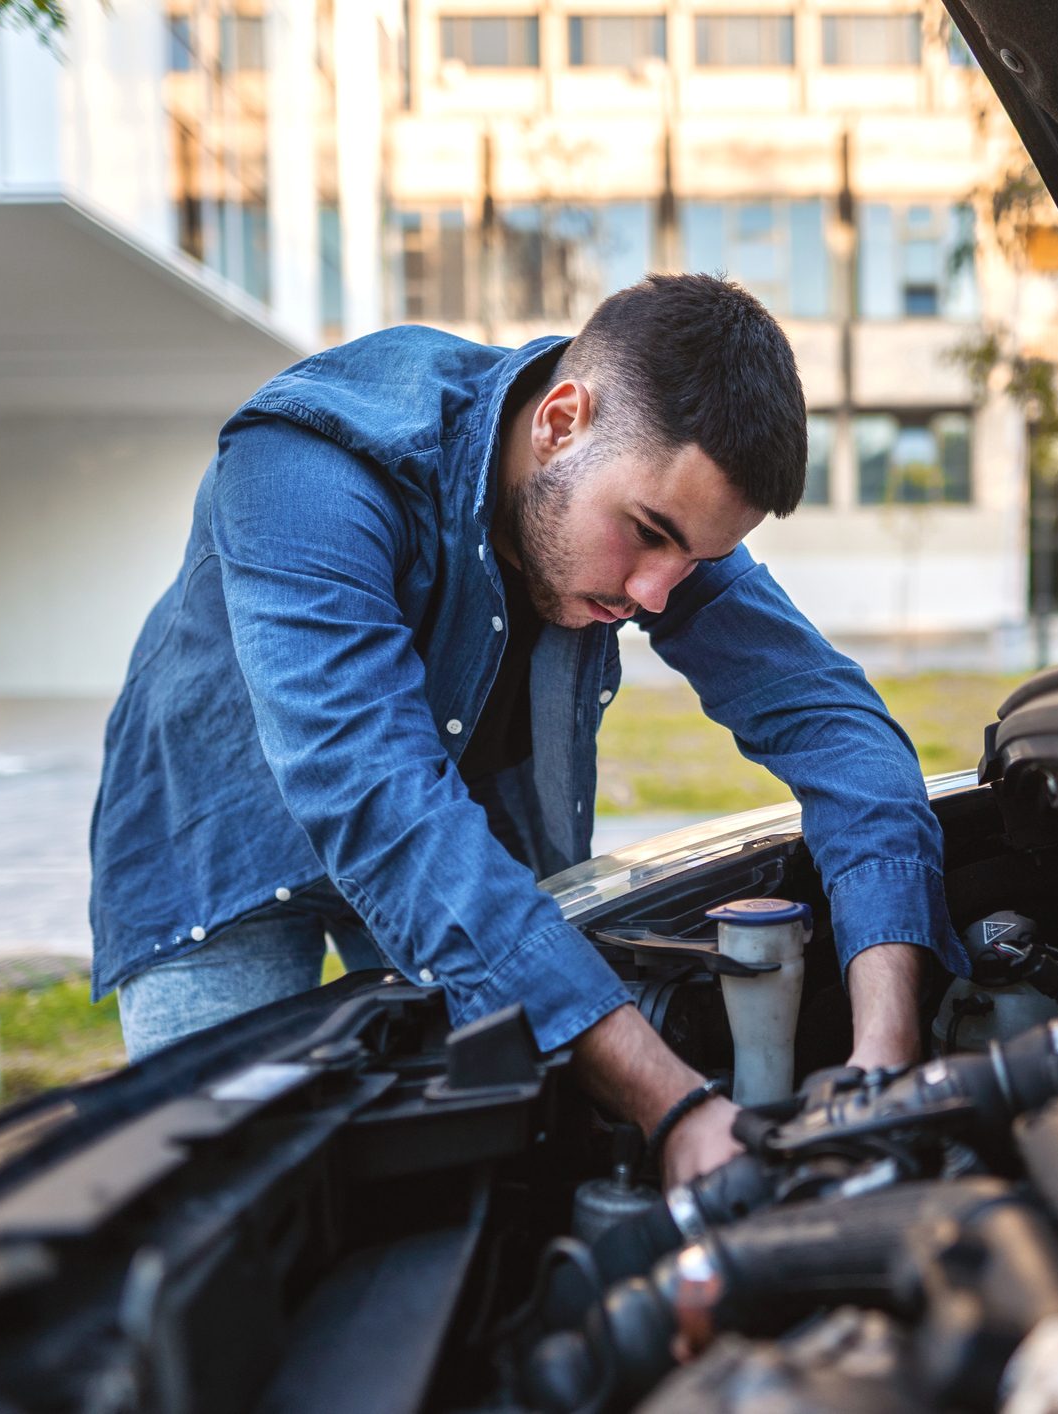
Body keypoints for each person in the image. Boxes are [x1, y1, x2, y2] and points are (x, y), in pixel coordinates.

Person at [88, 274, 966, 1183]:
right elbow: (378, 804)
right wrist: (680, 1109)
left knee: (481, 1173)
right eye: (648, 533)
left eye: (695, 558)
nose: (655, 596)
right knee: (226, 1198)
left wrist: (882, 1060)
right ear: (558, 423)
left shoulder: (643, 487)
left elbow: (835, 728)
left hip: (451, 845)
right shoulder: (309, 464)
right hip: (220, 853)